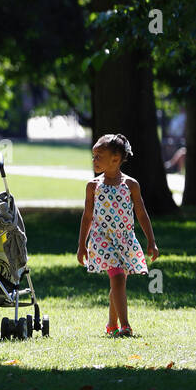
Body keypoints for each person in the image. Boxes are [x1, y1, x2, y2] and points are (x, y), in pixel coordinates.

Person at [78, 133, 159, 337]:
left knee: (119, 282)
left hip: (124, 238)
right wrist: (81, 245)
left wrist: (151, 241)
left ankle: (111, 324)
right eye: (93, 156)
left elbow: (141, 213)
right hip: (102, 238)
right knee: (118, 278)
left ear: (115, 159)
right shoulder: (93, 186)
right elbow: (87, 217)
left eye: (99, 156)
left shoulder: (131, 185)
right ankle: (125, 326)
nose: (94, 160)